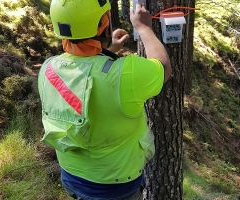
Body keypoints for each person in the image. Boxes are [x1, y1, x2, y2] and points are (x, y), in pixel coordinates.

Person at [37, 0, 172, 199]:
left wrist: (108, 49)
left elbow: (84, 74)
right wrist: (144, 28)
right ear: (103, 22)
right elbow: (164, 68)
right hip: (114, 186)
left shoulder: (47, 69)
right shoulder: (128, 74)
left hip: (71, 175)